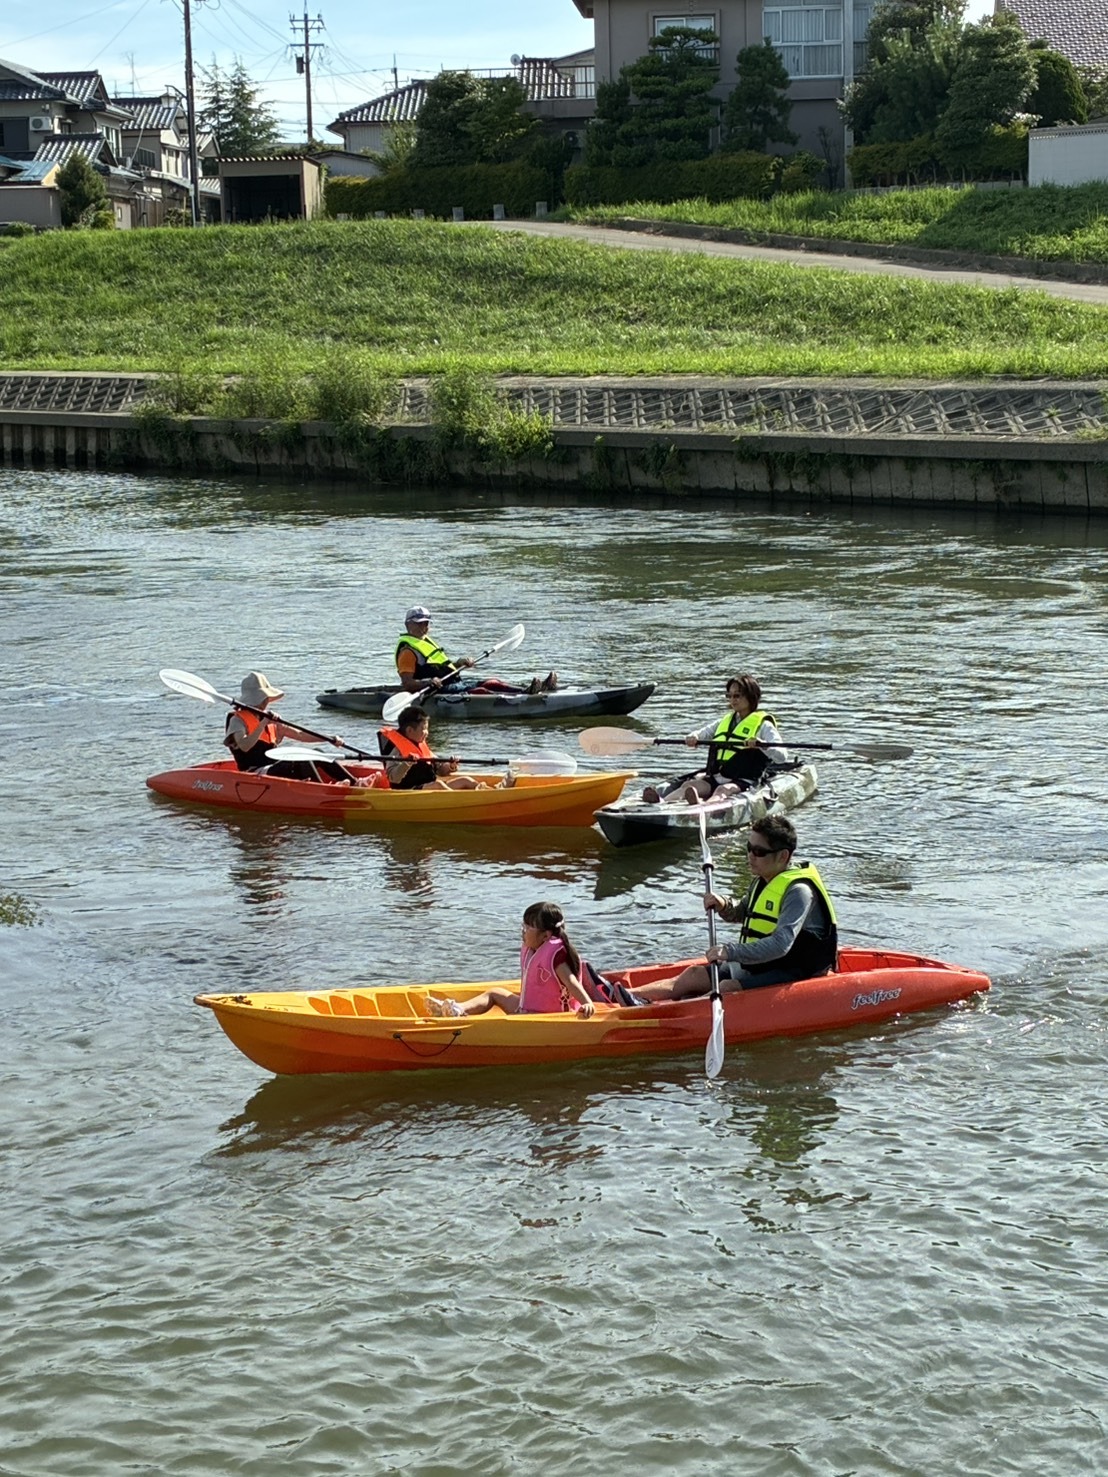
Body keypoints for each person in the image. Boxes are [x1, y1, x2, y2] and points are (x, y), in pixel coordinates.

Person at [636, 815, 838, 1002]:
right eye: (749, 847)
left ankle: (660, 1012)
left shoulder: (799, 892)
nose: (750, 856)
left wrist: (729, 951)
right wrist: (723, 904)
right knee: (694, 974)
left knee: (726, 987)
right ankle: (624, 997)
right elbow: (742, 911)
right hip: (766, 963)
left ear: (783, 856)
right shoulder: (763, 881)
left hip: (796, 969)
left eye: (759, 852)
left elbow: (780, 945)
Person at [427, 901, 596, 1018]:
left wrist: (587, 1004)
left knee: (496, 994)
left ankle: (456, 1011)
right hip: (528, 1010)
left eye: (528, 927)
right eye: (523, 926)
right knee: (495, 993)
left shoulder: (557, 957)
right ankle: (458, 1009)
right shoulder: (535, 949)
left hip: (547, 1018)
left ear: (546, 935)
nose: (523, 931)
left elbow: (571, 982)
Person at [642, 674, 788, 806]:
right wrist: (694, 737)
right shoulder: (724, 721)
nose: (732, 700)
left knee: (722, 790)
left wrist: (763, 746)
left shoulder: (764, 725)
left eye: (737, 696)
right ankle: (661, 803)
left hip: (745, 779)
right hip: (718, 775)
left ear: (751, 697)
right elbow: (703, 733)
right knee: (690, 785)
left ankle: (703, 808)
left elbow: (782, 757)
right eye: (729, 696)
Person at [224, 672, 371, 785]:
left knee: (317, 754)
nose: (265, 702)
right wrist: (263, 723)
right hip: (256, 772)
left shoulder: (270, 719)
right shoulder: (237, 720)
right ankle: (322, 789)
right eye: (262, 698)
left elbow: (300, 735)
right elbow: (244, 746)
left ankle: (355, 783)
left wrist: (329, 739)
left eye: (265, 698)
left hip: (274, 767)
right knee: (303, 760)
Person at [395, 606, 557, 697]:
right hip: (435, 691)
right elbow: (407, 684)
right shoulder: (408, 652)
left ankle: (528, 690)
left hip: (451, 683)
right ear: (408, 625)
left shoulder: (424, 642)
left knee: (492, 682)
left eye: (426, 623)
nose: (424, 627)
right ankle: (525, 696)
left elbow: (441, 666)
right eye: (419, 623)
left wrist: (460, 663)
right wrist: (428, 682)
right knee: (480, 692)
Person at [377, 705, 480, 791]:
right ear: (409, 730)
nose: (427, 733)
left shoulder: (421, 746)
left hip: (428, 788)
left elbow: (439, 770)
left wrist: (451, 766)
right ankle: (460, 800)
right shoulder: (396, 750)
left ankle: (487, 791)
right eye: (424, 729)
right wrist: (406, 763)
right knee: (438, 785)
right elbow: (393, 778)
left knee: (465, 780)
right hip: (409, 791)